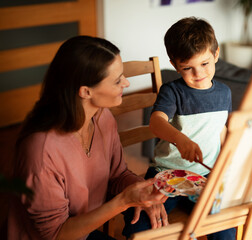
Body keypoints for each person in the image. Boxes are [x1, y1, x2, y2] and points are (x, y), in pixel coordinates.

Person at [7, 35, 168, 240]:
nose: (126, 83)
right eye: (118, 80)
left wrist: (143, 193)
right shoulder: (41, 151)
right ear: (85, 91)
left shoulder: (102, 116)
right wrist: (124, 201)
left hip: (84, 230)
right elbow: (56, 234)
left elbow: (117, 174)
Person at [122, 17, 236, 239]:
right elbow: (156, 122)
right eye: (187, 68)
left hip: (206, 176)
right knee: (140, 227)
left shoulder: (224, 93)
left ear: (216, 54)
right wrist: (181, 140)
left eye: (204, 64)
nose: (198, 74)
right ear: (174, 64)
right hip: (166, 173)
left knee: (225, 231)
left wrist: (225, 168)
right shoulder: (172, 91)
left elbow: (221, 130)